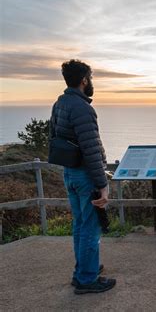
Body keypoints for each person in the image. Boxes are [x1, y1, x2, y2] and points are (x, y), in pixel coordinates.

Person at [50, 59, 116, 294]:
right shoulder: (83, 108)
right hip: (86, 176)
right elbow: (91, 149)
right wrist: (102, 184)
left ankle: (83, 270)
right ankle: (87, 279)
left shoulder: (61, 103)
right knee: (90, 226)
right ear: (84, 80)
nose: (92, 82)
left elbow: (55, 138)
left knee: (80, 224)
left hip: (70, 173)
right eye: (91, 78)